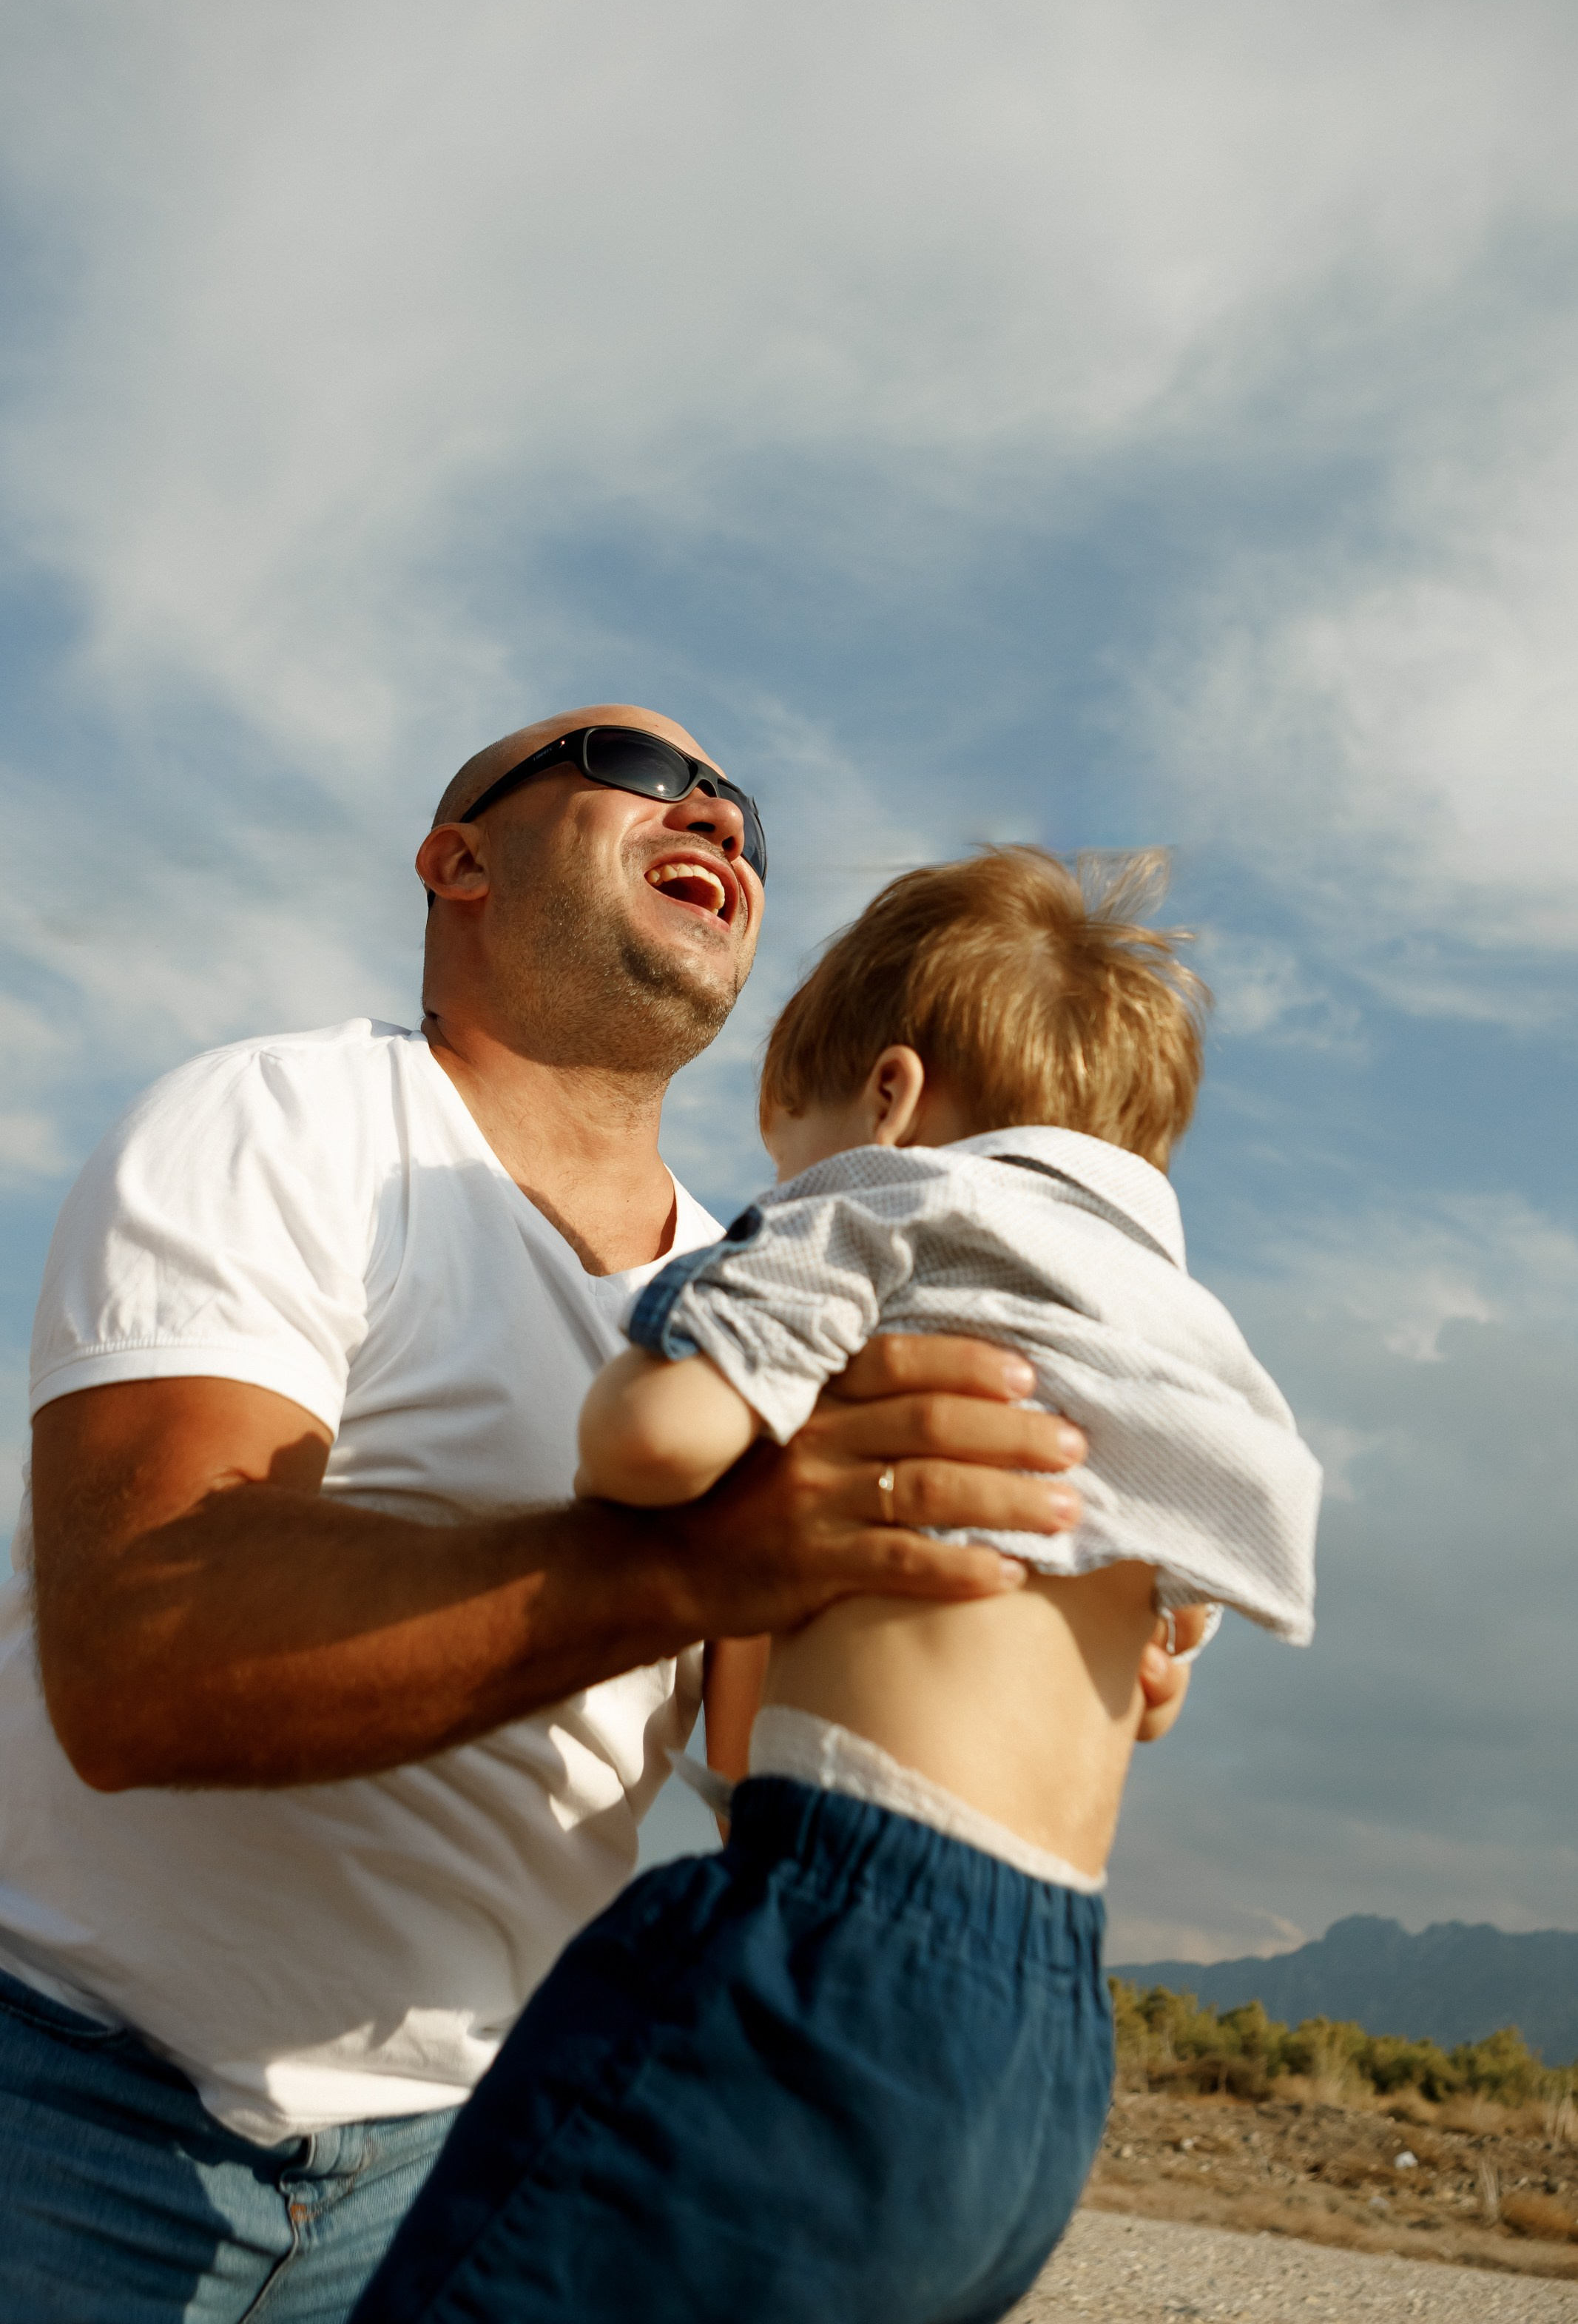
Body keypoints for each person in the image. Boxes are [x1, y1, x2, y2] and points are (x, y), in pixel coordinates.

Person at [0, 709, 1196, 2323]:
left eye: (740, 807)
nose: (710, 806)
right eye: (636, 768)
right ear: (461, 861)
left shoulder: (773, 1295)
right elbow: (140, 1656)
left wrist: (999, 1606)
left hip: (460, 2138)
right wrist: (700, 1555)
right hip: (74, 2112)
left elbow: (755, 1748)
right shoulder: (283, 1123)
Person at [351, 845, 1320, 2324]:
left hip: (836, 1934)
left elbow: (654, 1442)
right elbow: (1153, 1692)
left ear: (885, 1099)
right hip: (1042, 2043)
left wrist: (667, 1374)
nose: (783, 1185)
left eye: (783, 1148)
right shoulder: (1178, 1351)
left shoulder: (887, 1206)